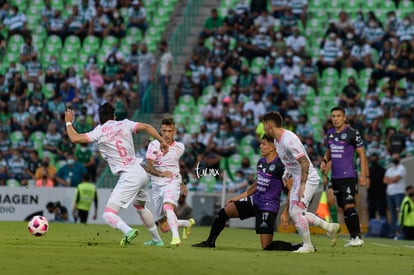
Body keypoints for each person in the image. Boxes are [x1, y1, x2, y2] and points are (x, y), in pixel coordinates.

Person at [64, 102, 169, 246]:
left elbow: (75, 138)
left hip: (129, 176)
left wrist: (69, 122)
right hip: (140, 171)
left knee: (108, 214)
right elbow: (147, 127)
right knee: (140, 207)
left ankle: (128, 232)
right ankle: (157, 240)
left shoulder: (99, 131)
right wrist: (162, 141)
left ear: (99, 119)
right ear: (114, 116)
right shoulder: (124, 124)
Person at [192, 135, 302, 250]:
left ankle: (299, 246)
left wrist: (285, 212)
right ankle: (210, 242)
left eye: (263, 144)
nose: (260, 146)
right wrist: (238, 197)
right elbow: (257, 184)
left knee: (267, 246)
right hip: (255, 200)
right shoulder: (261, 162)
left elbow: (292, 189)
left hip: (268, 206)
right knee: (223, 213)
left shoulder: (281, 165)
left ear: (273, 147)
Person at [262, 112, 341, 253]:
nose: (263, 129)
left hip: (307, 178)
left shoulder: (289, 140)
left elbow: (304, 162)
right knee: (297, 212)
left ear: (269, 125)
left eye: (263, 126)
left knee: (296, 212)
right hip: (298, 177)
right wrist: (287, 172)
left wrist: (303, 185)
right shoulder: (277, 140)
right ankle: (330, 227)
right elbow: (291, 160)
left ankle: (308, 246)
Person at [320, 106, 369, 247]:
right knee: (343, 207)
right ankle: (353, 237)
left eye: (338, 116)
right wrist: (324, 160)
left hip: (349, 176)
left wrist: (364, 175)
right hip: (335, 178)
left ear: (344, 117)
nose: (335, 119)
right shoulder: (330, 133)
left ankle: (358, 237)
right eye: (333, 116)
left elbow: (362, 154)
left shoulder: (353, 133)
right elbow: (329, 150)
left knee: (349, 205)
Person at [145, 117, 195, 247]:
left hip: (171, 182)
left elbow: (175, 167)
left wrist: (181, 183)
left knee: (168, 207)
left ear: (175, 131)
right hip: (156, 184)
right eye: (164, 131)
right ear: (160, 131)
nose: (166, 134)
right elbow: (148, 167)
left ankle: (176, 238)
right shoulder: (154, 145)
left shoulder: (180, 147)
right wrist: (161, 173)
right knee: (163, 226)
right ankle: (186, 223)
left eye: (170, 131)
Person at [384, 153, 407, 238]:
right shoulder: (390, 169)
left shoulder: (402, 168)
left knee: (400, 213)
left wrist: (390, 179)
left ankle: (399, 232)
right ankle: (392, 232)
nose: (395, 159)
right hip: (390, 193)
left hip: (399, 193)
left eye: (396, 157)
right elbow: (385, 181)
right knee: (392, 214)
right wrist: (392, 180)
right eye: (393, 158)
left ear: (399, 158)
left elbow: (397, 179)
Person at [367, 153, 387, 220]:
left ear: (377, 160)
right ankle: (371, 229)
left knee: (382, 213)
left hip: (381, 196)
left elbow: (385, 182)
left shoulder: (382, 170)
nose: (373, 160)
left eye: (374, 159)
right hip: (371, 196)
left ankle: (385, 229)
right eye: (372, 159)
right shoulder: (368, 170)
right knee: (371, 214)